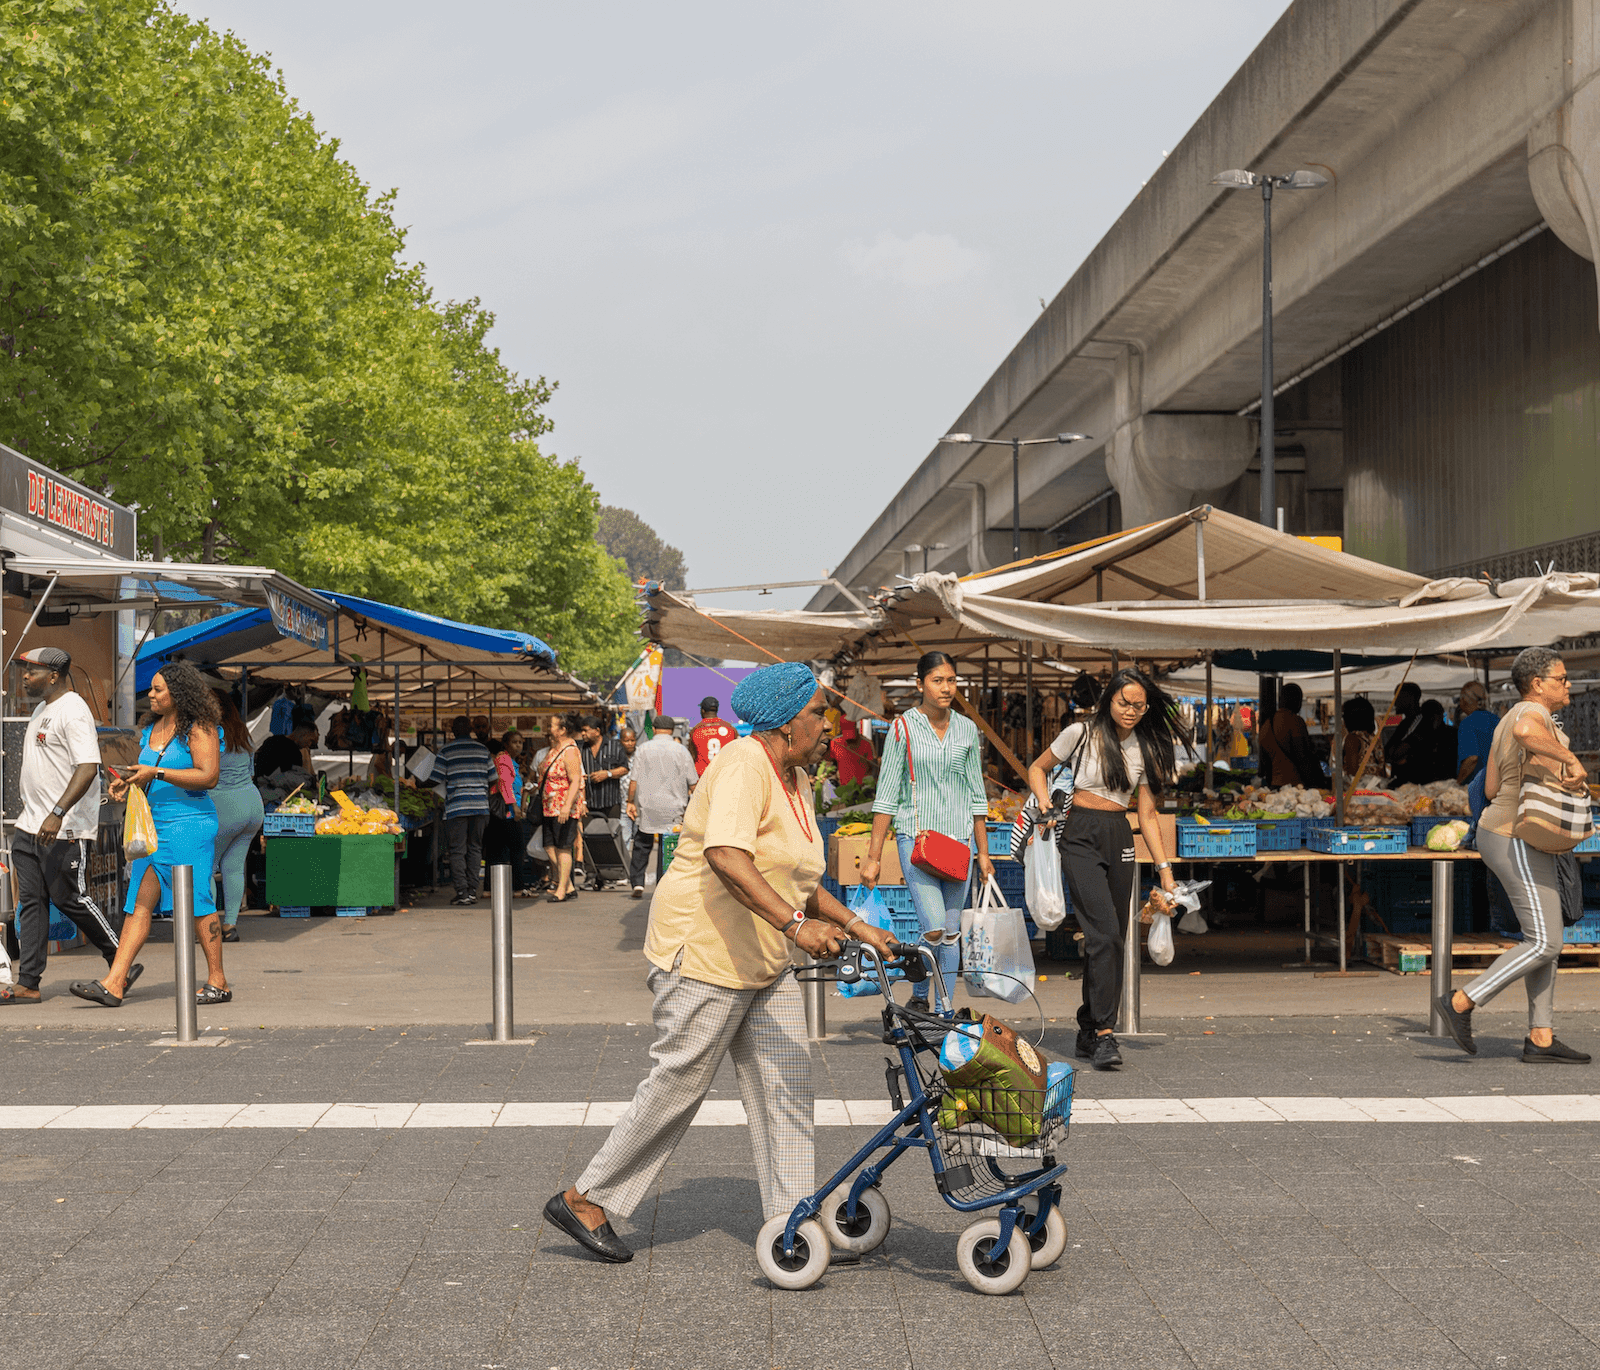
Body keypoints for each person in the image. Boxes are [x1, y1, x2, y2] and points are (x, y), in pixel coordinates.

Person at [543, 662, 900, 1264]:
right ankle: (585, 1199)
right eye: (820, 713)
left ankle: (795, 1224)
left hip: (762, 956)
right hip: (705, 950)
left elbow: (796, 876)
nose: (827, 723)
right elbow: (728, 856)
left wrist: (856, 924)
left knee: (787, 1081)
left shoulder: (796, 779)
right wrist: (795, 925)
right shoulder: (742, 765)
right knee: (680, 1080)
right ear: (788, 723)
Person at [1436, 646, 1591, 1064]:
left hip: (1512, 834)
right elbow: (1526, 735)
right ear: (1539, 684)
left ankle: (1541, 1037)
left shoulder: (1511, 716)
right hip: (1512, 837)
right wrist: (1570, 759)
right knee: (1545, 940)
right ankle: (1462, 1002)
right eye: (1561, 678)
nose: (1568, 684)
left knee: (1546, 935)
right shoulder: (1530, 714)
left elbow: (1487, 790)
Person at [1025, 666, 1185, 1072]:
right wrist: (1044, 804)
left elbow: (1147, 814)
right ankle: (1103, 1035)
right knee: (1105, 935)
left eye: (1139, 705)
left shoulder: (1144, 748)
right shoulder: (1080, 734)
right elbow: (1037, 768)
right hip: (1078, 832)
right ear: (1108, 700)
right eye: (1123, 702)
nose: (1131, 711)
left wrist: (1165, 869)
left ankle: (1086, 1026)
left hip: (1119, 835)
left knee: (1110, 940)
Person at [82, 662, 225, 1008]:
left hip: (189, 824)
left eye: (158, 689)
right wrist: (130, 782)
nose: (151, 694)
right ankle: (114, 983)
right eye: (152, 689)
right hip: (154, 826)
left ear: (179, 693)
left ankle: (218, 980)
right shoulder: (152, 729)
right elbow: (149, 772)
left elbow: (208, 776)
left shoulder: (198, 727)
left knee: (197, 904)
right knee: (137, 904)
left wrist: (157, 772)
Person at [1, 647, 131, 1006]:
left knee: (70, 898)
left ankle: (121, 960)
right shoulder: (43, 710)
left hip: (64, 827)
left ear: (54, 675)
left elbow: (88, 767)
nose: (25, 677)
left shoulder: (73, 710)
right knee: (31, 903)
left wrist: (57, 812)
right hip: (30, 825)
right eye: (24, 671)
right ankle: (28, 983)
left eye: (32, 671)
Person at [862, 652, 993, 1009]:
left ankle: (943, 1009)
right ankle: (921, 993)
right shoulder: (903, 727)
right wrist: (873, 857)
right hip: (916, 839)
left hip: (959, 841)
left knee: (951, 935)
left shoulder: (967, 728)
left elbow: (977, 795)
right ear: (920, 684)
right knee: (934, 926)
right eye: (938, 680)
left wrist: (983, 853)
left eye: (951, 680)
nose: (946, 688)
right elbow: (886, 794)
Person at [211, 685, 264, 943]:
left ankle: (208, 927)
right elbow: (252, 771)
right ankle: (230, 925)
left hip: (224, 805)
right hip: (252, 805)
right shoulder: (243, 732)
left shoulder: (210, 733)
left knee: (205, 869)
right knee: (233, 868)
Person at [625, 715, 698, 899]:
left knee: (642, 844)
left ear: (655, 730)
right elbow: (693, 784)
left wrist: (630, 802)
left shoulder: (642, 749)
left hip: (647, 807)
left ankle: (638, 883)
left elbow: (633, 780)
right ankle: (662, 884)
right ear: (672, 730)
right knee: (668, 846)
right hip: (673, 808)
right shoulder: (682, 751)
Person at [437, 715, 491, 907]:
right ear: (470, 729)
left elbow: (435, 778)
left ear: (452, 730)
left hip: (457, 807)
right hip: (480, 807)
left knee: (457, 851)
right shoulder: (482, 750)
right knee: (475, 848)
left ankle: (462, 892)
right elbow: (492, 777)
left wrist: (418, 783)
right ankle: (472, 891)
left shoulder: (446, 750)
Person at [539, 712, 586, 903]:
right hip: (549, 806)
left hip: (562, 807)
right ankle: (568, 885)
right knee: (549, 845)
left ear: (562, 729)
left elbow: (575, 780)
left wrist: (567, 806)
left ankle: (562, 889)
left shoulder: (570, 750)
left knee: (563, 847)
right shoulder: (555, 748)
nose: (549, 728)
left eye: (552, 725)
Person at [484, 729, 532, 896]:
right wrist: (515, 806)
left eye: (520, 742)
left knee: (495, 850)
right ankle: (517, 888)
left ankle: (489, 889)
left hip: (504, 812)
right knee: (517, 849)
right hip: (507, 812)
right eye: (514, 742)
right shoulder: (504, 759)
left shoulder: (510, 761)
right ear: (506, 744)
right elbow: (504, 783)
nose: (518, 745)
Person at [1258, 683, 1322, 788]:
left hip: (1274, 784)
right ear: (1295, 700)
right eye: (1299, 700)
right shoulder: (1296, 722)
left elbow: (1264, 759)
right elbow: (1303, 755)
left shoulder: (1266, 725)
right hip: (1296, 785)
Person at [1455, 679, 1497, 784]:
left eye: (1461, 698)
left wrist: (1458, 783)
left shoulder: (1468, 724)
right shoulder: (1497, 720)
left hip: (1476, 787)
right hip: (1497, 785)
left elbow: (1472, 758)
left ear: (1465, 700)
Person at [689, 696, 738, 776]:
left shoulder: (696, 730)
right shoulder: (730, 729)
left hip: (703, 778)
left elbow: (692, 757)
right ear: (717, 710)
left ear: (703, 711)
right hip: (725, 776)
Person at [1341, 696, 1386, 781]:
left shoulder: (1352, 739)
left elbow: (1353, 773)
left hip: (1362, 791)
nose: (1343, 719)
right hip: (1379, 788)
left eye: (1344, 715)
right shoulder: (1375, 739)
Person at [829, 717, 876, 789]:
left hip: (863, 789)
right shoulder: (835, 743)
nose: (850, 740)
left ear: (856, 728)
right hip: (844, 788)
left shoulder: (867, 743)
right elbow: (830, 763)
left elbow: (873, 767)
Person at [616, 726, 639, 862]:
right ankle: (623, 868)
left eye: (632, 740)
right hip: (622, 805)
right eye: (626, 740)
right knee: (623, 838)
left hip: (638, 806)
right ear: (621, 741)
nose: (630, 743)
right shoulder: (617, 756)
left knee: (638, 839)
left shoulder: (641, 756)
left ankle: (636, 869)